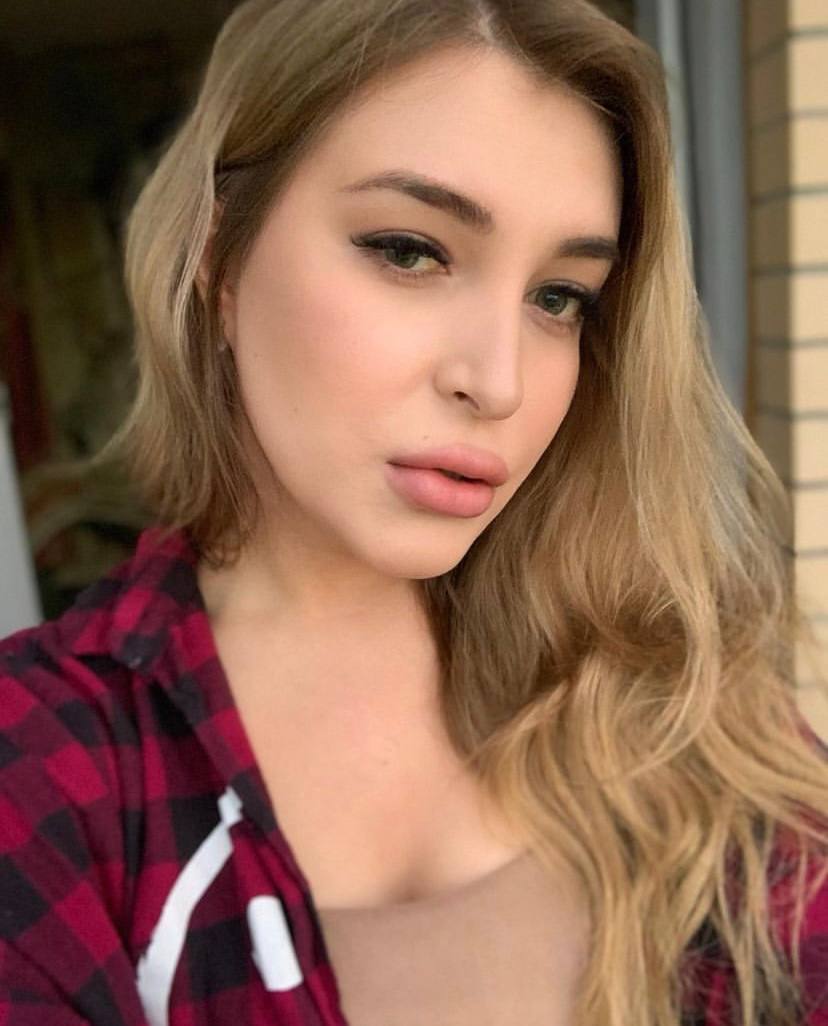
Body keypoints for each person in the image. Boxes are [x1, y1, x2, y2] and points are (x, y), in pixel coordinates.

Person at [2, 0, 827, 1023]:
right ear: (219, 260)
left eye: (560, 297)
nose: (499, 381)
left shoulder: (673, 680)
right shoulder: (45, 765)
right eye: (410, 250)